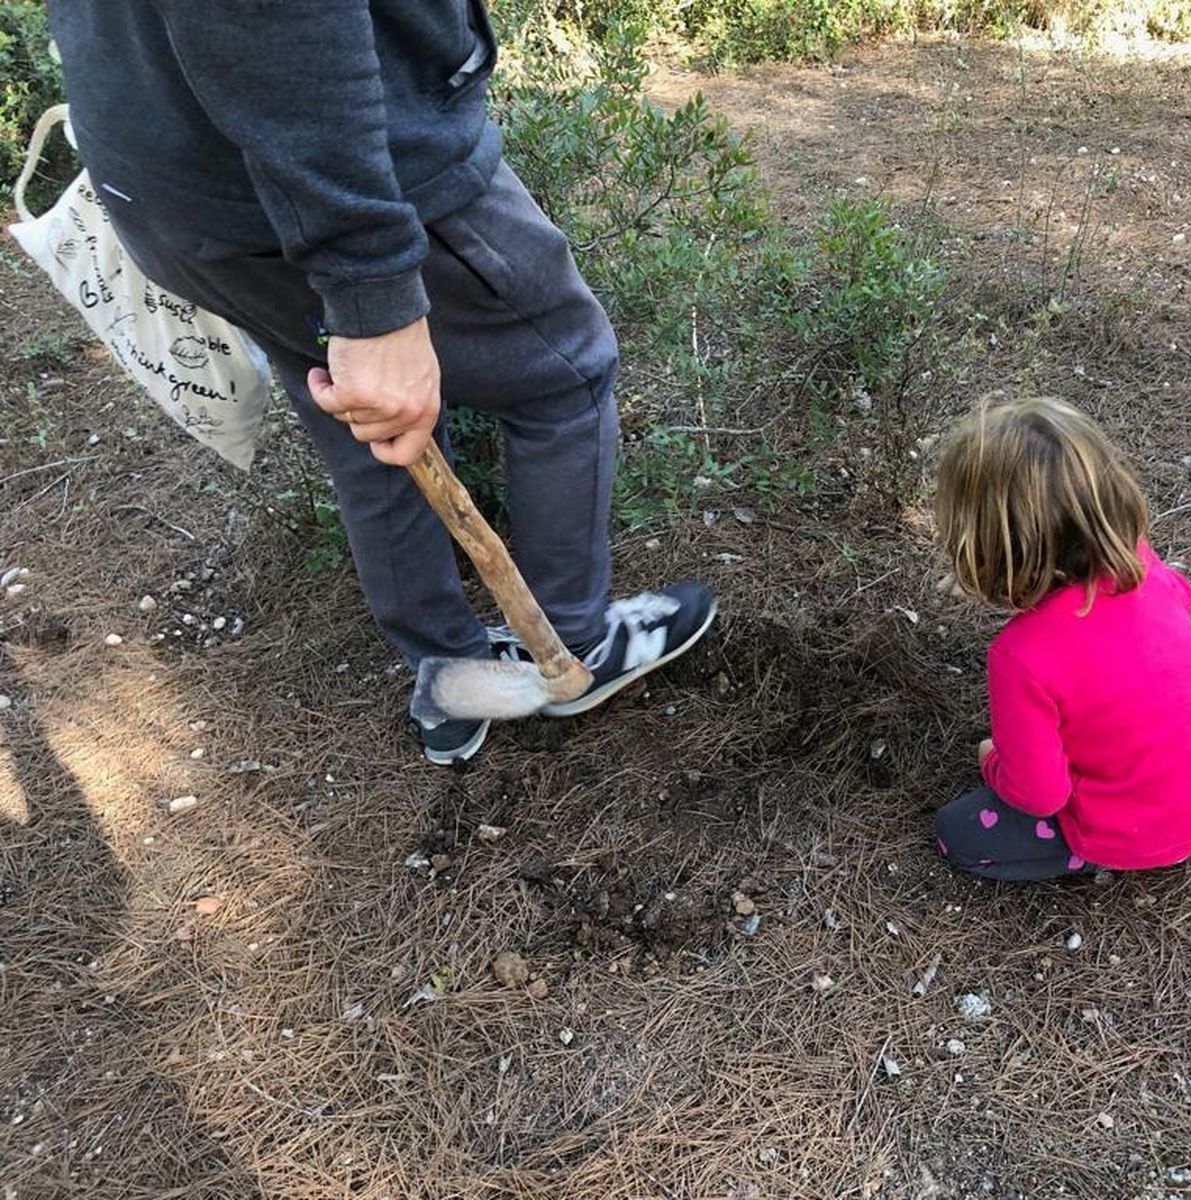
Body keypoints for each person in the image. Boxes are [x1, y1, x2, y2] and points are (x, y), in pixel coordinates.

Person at [46, 2, 716, 765]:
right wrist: (371, 291)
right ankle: (577, 646)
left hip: (181, 190)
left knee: (368, 429)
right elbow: (279, 25)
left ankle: (450, 676)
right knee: (564, 372)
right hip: (352, 182)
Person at [931, 396, 1191, 881]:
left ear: (989, 546)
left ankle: (1089, 853)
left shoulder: (1021, 656)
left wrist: (992, 760)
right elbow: (1177, 611)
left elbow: (1039, 795)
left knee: (956, 831)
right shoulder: (1144, 567)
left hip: (1134, 830)